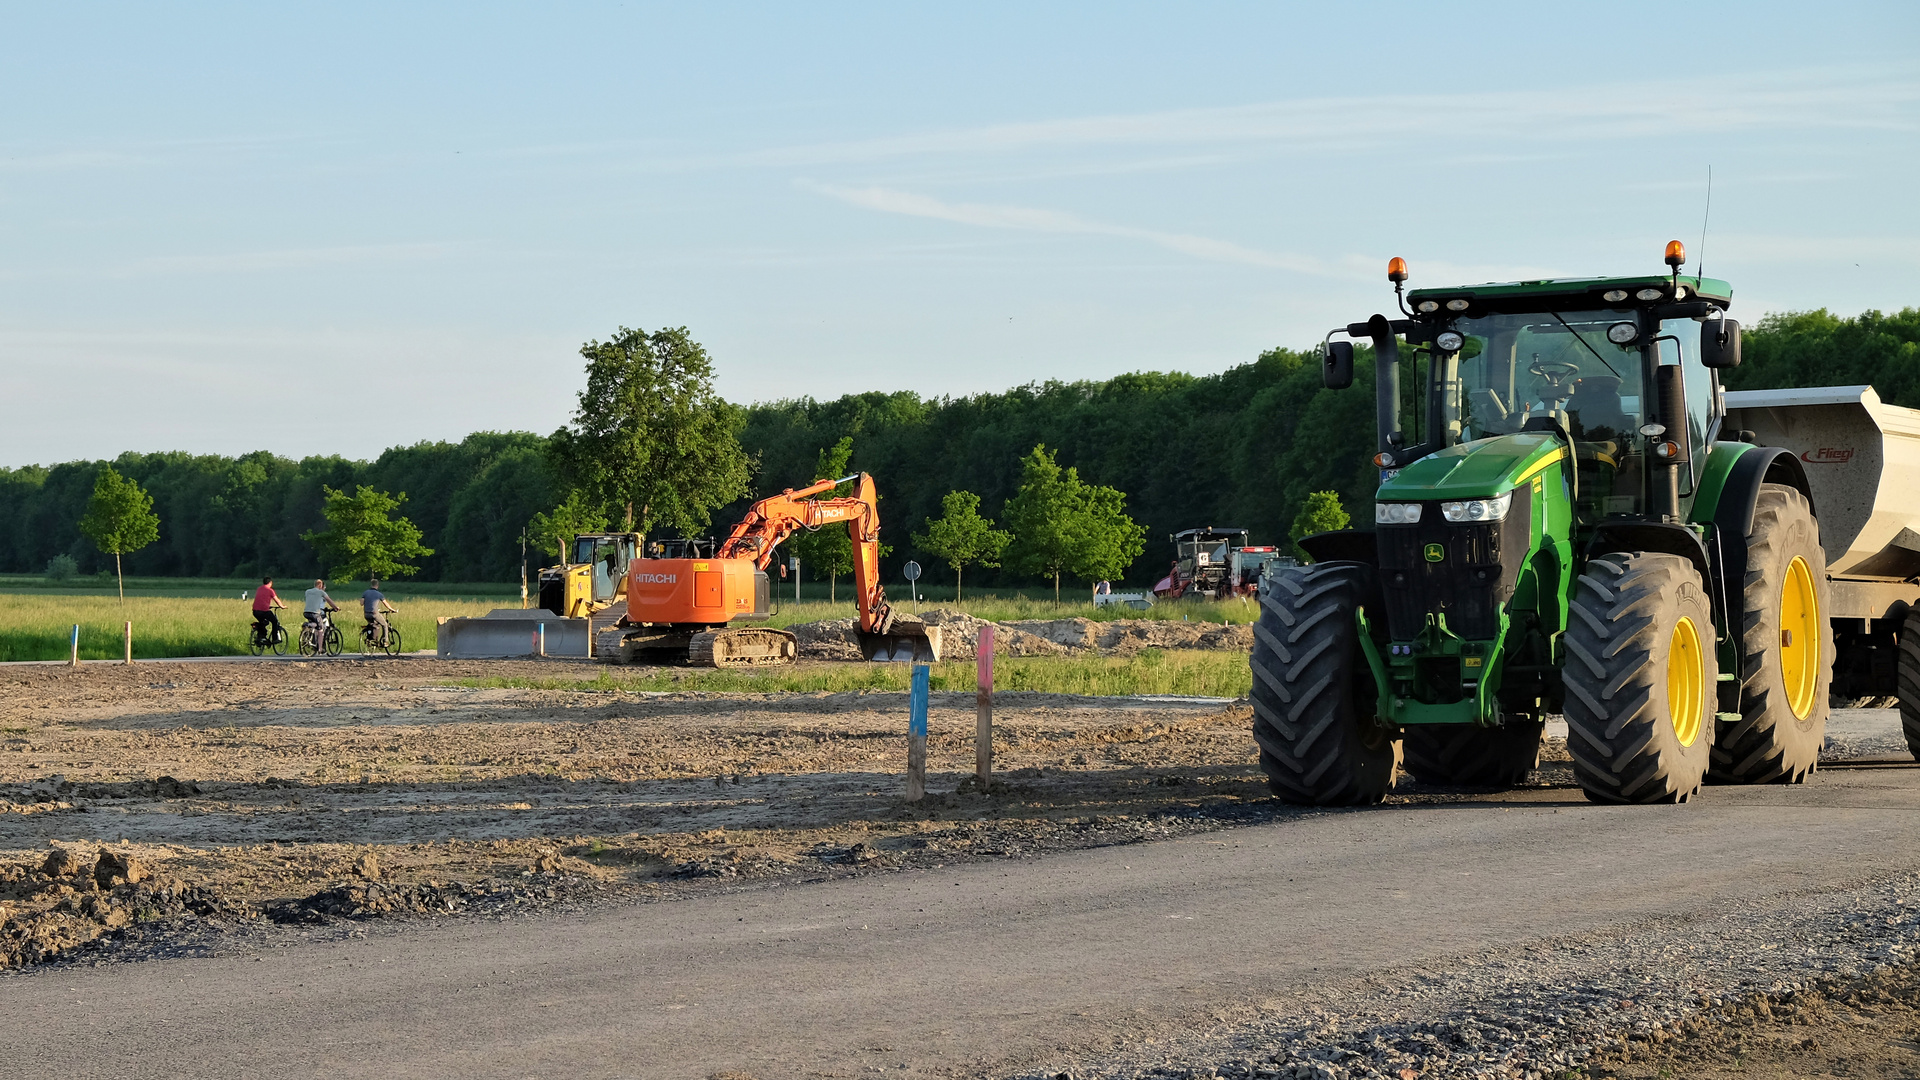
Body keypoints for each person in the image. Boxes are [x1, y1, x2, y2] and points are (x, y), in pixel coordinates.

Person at [251, 576, 287, 643]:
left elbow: (261, 599)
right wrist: (282, 606)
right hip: (264, 611)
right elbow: (276, 600)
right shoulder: (270, 590)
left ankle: (261, 637)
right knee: (274, 621)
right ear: (270, 582)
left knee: (263, 622)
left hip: (255, 611)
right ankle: (274, 638)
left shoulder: (259, 589)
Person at [362, 578, 398, 643]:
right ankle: (385, 641)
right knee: (385, 625)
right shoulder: (379, 594)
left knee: (374, 625)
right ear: (377, 585)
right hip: (374, 613)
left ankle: (371, 639)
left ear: (371, 585)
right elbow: (385, 603)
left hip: (366, 614)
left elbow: (361, 603)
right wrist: (392, 609)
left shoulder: (365, 593)